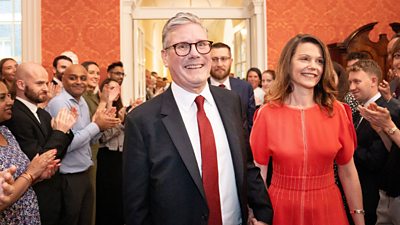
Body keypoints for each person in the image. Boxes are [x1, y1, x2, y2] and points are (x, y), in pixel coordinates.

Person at [123, 12, 273, 225]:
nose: (195, 54)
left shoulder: (231, 102)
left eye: (201, 44)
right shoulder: (142, 121)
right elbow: (136, 207)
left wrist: (263, 214)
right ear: (165, 56)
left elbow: (246, 166)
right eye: (182, 46)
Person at [250, 34, 364, 225]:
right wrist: (256, 216)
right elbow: (258, 172)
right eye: (304, 59)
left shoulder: (337, 112)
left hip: (328, 208)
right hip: (280, 208)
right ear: (288, 63)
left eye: (319, 61)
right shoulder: (266, 114)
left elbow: (348, 172)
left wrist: (359, 219)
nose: (313, 66)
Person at [46, 64, 120, 225]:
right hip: (68, 175)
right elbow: (66, 144)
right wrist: (96, 126)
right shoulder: (60, 103)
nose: (78, 82)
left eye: (83, 78)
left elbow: (90, 139)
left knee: (85, 219)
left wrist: (103, 126)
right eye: (73, 78)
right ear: (63, 80)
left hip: (85, 171)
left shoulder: (82, 103)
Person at [5, 62, 76, 225]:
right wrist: (59, 132)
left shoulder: (42, 113)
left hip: (55, 193)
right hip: (37, 197)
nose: (46, 88)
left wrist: (65, 130)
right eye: (39, 83)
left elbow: (59, 156)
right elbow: (40, 162)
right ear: (21, 84)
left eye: (46, 82)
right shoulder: (15, 115)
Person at [0, 80, 60, 224]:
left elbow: (18, 181)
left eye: (9, 96)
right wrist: (31, 174)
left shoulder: (5, 131)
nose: (10, 102)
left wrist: (37, 175)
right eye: (2, 98)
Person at [348, 59, 400, 225]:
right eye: (350, 82)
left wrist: (344, 148)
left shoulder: (387, 110)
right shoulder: (360, 110)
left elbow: (376, 160)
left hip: (379, 195)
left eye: (357, 81)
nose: (351, 88)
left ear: (373, 81)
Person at [96, 78, 125, 225]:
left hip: (121, 157)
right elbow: (103, 137)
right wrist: (119, 121)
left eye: (117, 88)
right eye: (111, 88)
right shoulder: (99, 109)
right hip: (106, 157)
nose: (115, 92)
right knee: (107, 196)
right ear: (103, 90)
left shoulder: (121, 108)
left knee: (119, 197)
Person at [209, 42, 256, 132]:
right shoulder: (199, 89)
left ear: (231, 61)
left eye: (224, 59)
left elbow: (251, 125)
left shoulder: (245, 88)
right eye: (214, 59)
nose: (219, 64)